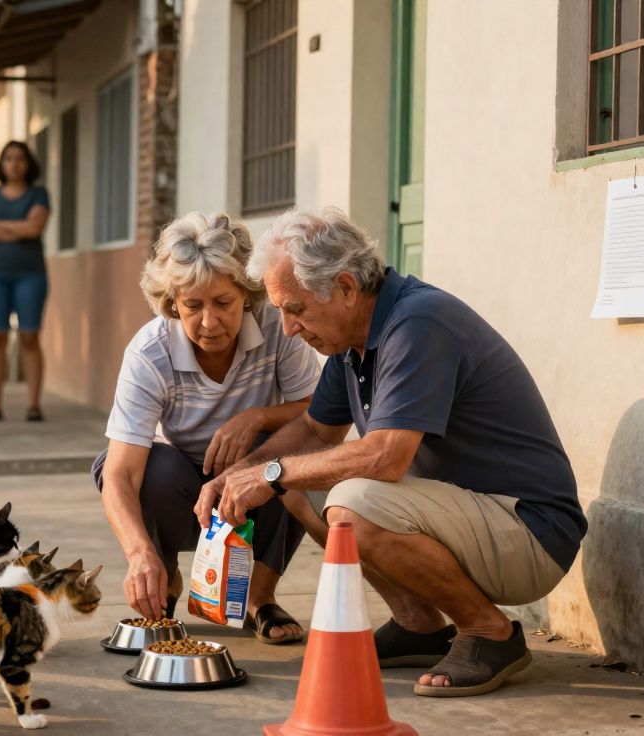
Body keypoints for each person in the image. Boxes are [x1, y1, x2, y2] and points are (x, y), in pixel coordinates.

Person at [194, 207, 587, 696]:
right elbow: (316, 432)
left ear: (344, 287)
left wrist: (271, 473)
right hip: (472, 514)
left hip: (529, 532)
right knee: (296, 487)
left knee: (350, 503)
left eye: (294, 308)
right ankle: (416, 622)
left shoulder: (419, 323)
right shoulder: (350, 341)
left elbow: (387, 457)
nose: (289, 327)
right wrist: (238, 476)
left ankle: (490, 632)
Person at [93, 212, 323, 644]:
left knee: (290, 456)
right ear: (172, 303)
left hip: (253, 473)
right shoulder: (150, 352)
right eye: (193, 306)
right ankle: (166, 579)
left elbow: (318, 411)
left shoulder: (278, 328)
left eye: (224, 303)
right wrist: (139, 555)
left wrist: (256, 417)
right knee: (148, 467)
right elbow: (121, 474)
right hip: (182, 483)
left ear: (247, 296)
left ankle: (260, 599)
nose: (209, 322)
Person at [0, 141, 51, 422]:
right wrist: (18, 229)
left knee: (29, 337)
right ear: (1, 164)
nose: (14, 164)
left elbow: (35, 227)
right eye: (8, 158)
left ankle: (33, 404)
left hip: (31, 275)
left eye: (20, 158)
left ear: (28, 163)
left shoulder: (38, 194)